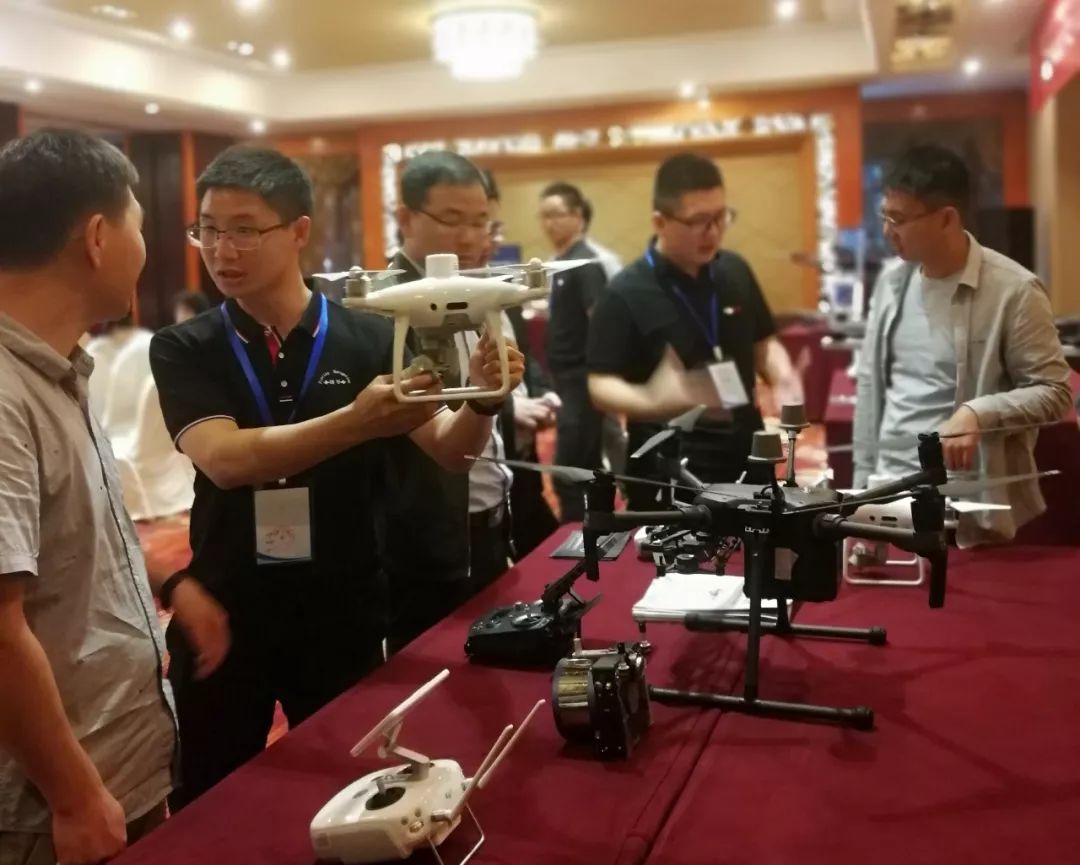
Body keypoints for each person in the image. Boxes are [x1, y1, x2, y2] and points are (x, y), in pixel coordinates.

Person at [148, 145, 523, 809]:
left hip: (344, 606)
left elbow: (449, 452)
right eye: (208, 229)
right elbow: (227, 460)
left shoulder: (370, 334)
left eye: (244, 229)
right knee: (214, 798)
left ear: (298, 231)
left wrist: (484, 403)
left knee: (353, 790)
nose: (222, 250)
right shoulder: (186, 345)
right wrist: (356, 421)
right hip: (226, 607)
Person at [0, 130, 177, 865]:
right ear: (99, 237)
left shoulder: (58, 367)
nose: (147, 248)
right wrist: (74, 795)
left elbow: (74, 542)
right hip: (49, 809)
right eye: (140, 224)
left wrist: (176, 585)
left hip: (111, 768)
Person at [852, 144, 1071, 548]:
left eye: (899, 219)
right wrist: (862, 494)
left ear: (947, 218)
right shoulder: (891, 283)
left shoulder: (1014, 291)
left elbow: (1056, 393)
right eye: (884, 216)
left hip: (963, 508)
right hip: (888, 495)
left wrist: (979, 412)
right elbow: (870, 387)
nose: (887, 231)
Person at [586, 153, 801, 508]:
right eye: (699, 221)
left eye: (721, 216)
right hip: (668, 464)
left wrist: (783, 376)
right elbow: (599, 385)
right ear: (660, 222)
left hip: (747, 453)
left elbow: (764, 343)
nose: (713, 232)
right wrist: (651, 401)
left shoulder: (735, 270)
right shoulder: (625, 291)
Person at [381, 151, 524, 648]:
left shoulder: (483, 291)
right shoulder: (384, 307)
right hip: (422, 547)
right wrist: (485, 399)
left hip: (491, 523)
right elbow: (446, 447)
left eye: (481, 221)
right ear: (405, 219)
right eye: (452, 220)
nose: (470, 238)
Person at [481, 170, 560, 558]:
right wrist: (513, 409)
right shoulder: (426, 303)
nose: (490, 239)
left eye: (492, 227)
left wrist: (544, 394)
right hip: (482, 474)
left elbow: (528, 358)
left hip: (523, 463)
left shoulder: (506, 289)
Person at [538, 182, 612, 521]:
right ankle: (600, 530)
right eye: (544, 216)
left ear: (578, 216)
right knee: (587, 467)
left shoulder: (585, 264)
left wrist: (598, 380)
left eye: (556, 215)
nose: (549, 224)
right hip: (564, 378)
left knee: (567, 472)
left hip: (582, 379)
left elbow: (601, 322)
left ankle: (577, 538)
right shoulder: (563, 263)